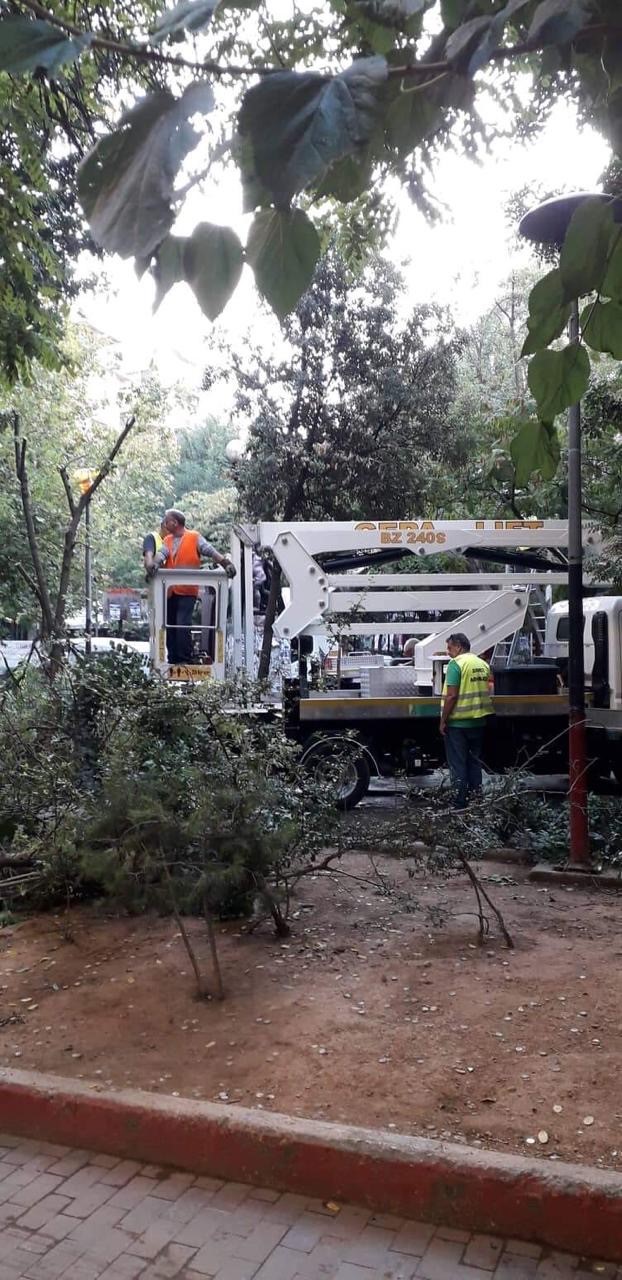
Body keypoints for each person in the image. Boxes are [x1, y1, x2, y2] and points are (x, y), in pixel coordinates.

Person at [148, 509, 236, 665]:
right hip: (170, 591)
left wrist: (226, 563)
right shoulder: (167, 540)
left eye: (166, 520)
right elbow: (162, 554)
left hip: (187, 591)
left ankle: (184, 659)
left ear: (174, 522)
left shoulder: (194, 537)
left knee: (182, 623)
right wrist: (154, 564)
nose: (164, 523)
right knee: (169, 625)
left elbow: (210, 551)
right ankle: (173, 658)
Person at [439, 632, 493, 810]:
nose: (448, 652)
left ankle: (460, 803)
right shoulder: (482, 664)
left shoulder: (456, 665)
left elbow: (452, 696)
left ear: (459, 647)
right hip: (478, 722)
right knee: (474, 763)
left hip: (458, 724)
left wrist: (443, 720)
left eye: (449, 648)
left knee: (458, 765)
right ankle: (476, 800)